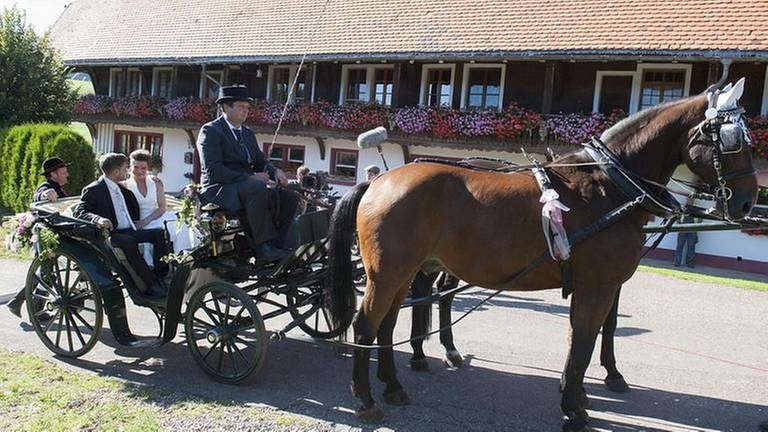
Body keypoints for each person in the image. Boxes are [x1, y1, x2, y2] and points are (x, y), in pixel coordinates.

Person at [196, 85, 298, 262]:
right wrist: (249, 177)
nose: (246, 111)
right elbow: (214, 170)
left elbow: (260, 162)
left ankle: (279, 245)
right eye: (241, 106)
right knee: (257, 186)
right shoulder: (210, 131)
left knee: (289, 196)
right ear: (226, 107)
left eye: (248, 107)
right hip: (218, 188)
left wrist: (276, 172)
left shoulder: (247, 133)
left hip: (245, 186)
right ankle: (263, 248)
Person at [74, 153, 168, 298]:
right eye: (125, 168)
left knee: (159, 233)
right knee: (128, 241)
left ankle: (161, 276)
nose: (128, 171)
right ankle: (150, 285)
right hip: (113, 234)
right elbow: (80, 211)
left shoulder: (121, 187)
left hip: (130, 229)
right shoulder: (94, 189)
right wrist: (98, 219)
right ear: (116, 172)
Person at [7, 157, 71, 318]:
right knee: (46, 273)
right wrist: (45, 194)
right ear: (53, 174)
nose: (67, 174)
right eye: (64, 172)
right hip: (45, 236)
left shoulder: (59, 187)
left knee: (46, 274)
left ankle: (26, 305)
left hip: (53, 236)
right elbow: (39, 196)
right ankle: (22, 304)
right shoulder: (47, 187)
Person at [123, 149, 194, 256]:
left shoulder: (156, 182)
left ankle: (183, 256)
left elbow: (162, 207)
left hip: (155, 217)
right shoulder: (124, 186)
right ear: (130, 166)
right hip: (138, 222)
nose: (139, 171)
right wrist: (141, 223)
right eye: (136, 167)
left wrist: (146, 220)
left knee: (182, 224)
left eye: (143, 168)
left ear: (148, 168)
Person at [674, 196, 699, 268]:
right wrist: (678, 225)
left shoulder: (697, 208)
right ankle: (677, 262)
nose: (691, 200)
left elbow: (700, 218)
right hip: (682, 228)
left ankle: (690, 263)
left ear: (694, 199)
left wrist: (698, 226)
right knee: (680, 246)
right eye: (689, 198)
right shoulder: (682, 207)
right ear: (687, 199)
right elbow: (678, 216)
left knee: (691, 246)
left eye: (692, 198)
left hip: (693, 228)